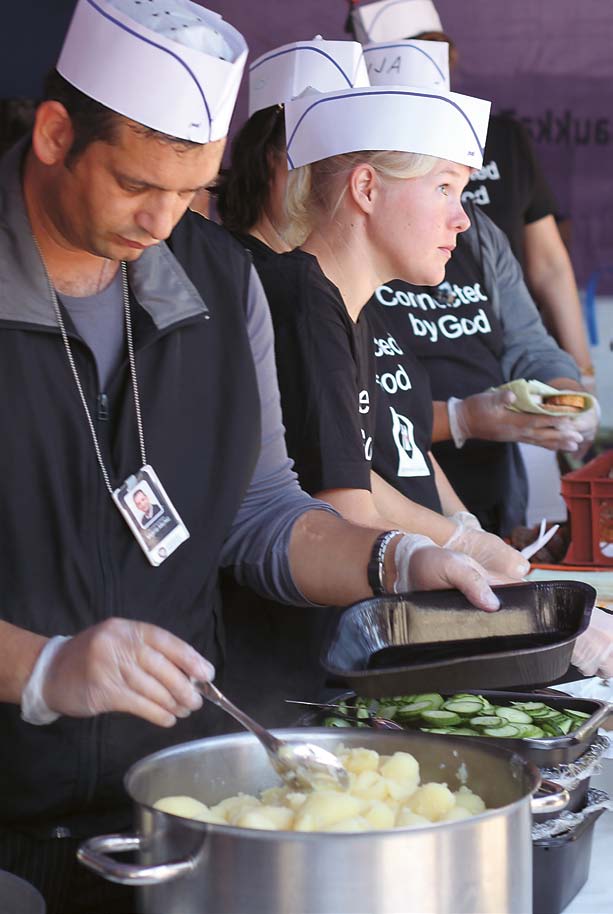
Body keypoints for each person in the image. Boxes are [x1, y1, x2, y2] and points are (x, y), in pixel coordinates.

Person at [0, 4, 503, 912]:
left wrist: (392, 559)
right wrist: (38, 667)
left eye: (192, 188)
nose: (160, 222)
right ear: (54, 133)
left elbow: (262, 508)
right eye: (134, 183)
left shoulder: (219, 283)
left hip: (181, 799)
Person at [350, 0, 594, 381]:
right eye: (442, 186)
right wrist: (462, 418)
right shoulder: (350, 238)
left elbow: (549, 266)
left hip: (494, 336)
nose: (458, 217)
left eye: (456, 185)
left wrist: (581, 375)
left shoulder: (486, 216)